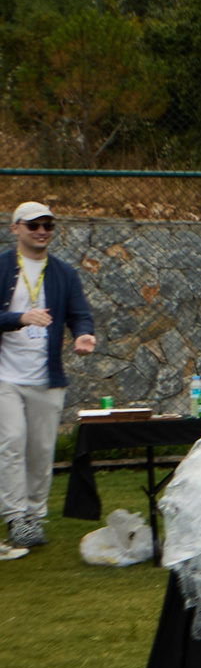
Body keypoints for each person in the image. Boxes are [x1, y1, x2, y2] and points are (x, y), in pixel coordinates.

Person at [1, 202, 96, 551]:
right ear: (15, 228)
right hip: (5, 377)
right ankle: (15, 518)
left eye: (48, 225)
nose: (42, 231)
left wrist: (83, 335)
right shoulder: (1, 266)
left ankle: (34, 515)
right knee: (11, 441)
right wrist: (19, 318)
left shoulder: (64, 273)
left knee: (41, 450)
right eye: (34, 225)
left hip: (46, 378)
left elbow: (79, 314)